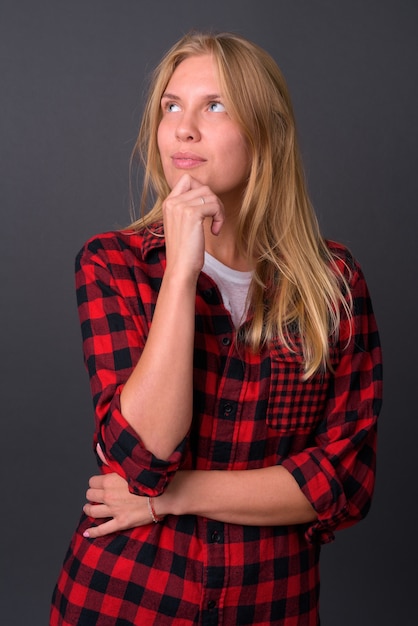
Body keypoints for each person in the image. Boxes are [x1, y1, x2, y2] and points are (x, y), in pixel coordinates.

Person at [50, 31, 383, 626]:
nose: (184, 128)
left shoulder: (333, 282)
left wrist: (171, 499)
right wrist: (180, 274)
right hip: (125, 600)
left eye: (215, 106)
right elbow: (142, 459)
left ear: (266, 131)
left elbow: (343, 482)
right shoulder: (113, 264)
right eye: (171, 106)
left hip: (272, 605)